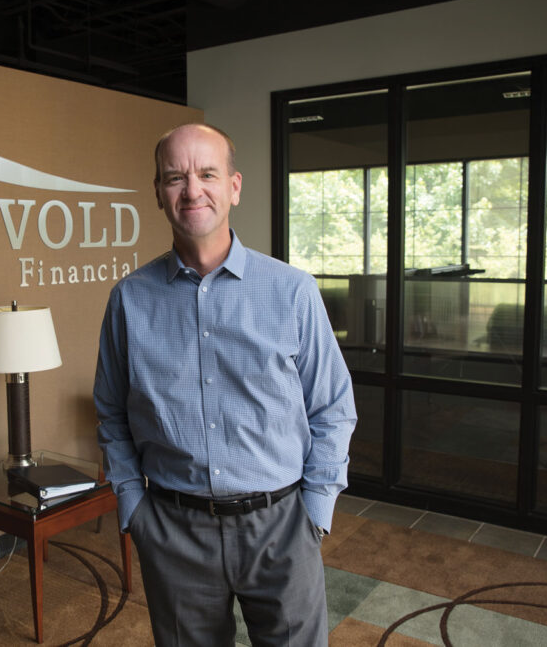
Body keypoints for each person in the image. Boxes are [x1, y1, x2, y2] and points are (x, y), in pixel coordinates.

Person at [93, 123, 357, 646]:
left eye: (206, 173)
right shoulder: (129, 300)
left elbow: (332, 406)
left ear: (234, 186)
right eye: (175, 177)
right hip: (173, 532)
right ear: (158, 193)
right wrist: (133, 507)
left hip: (281, 527)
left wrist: (315, 513)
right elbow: (111, 412)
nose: (192, 190)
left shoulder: (293, 292)